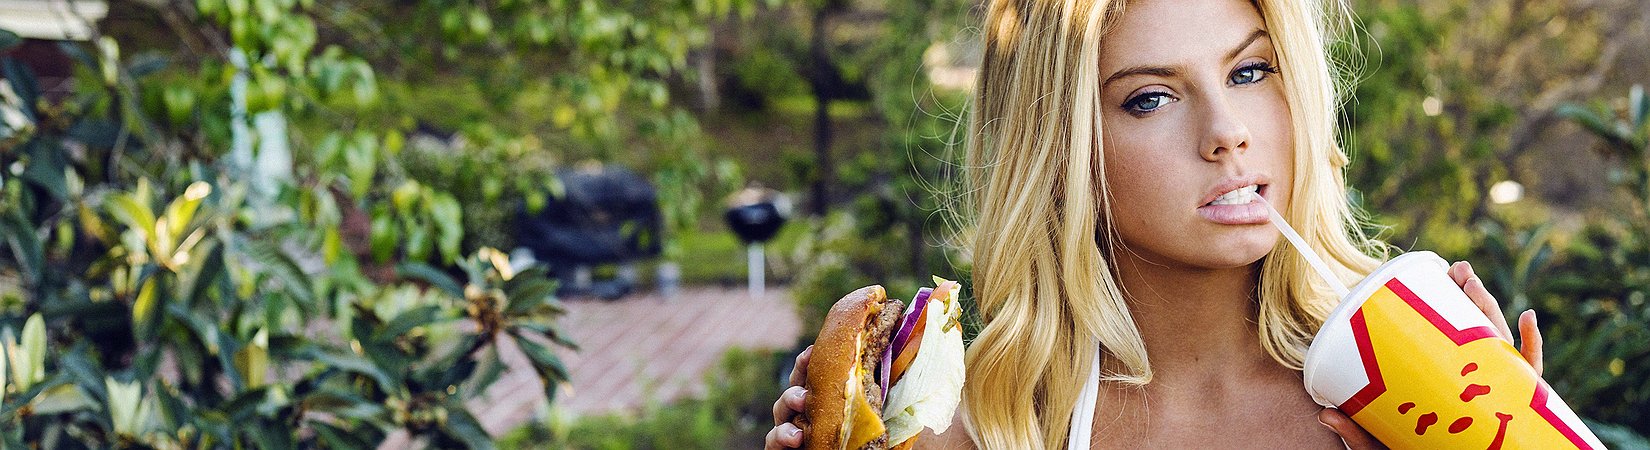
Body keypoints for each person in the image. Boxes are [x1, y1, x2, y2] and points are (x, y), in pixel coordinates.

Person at [765, 0, 1545, 448]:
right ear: (1064, 152)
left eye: (1249, 72)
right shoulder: (987, 432)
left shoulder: (1410, 401)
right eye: (1151, 97)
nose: (1227, 130)